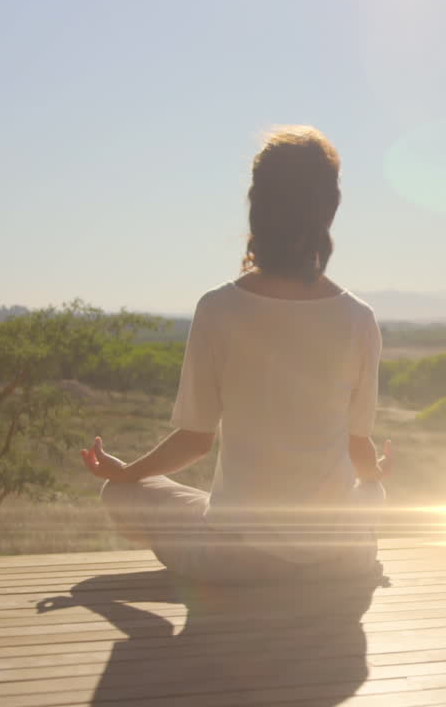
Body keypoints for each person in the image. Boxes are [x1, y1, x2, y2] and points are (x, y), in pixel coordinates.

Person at [80, 125, 389, 583]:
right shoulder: (358, 318)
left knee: (118, 494)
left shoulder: (219, 308)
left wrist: (129, 473)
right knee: (373, 491)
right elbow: (357, 450)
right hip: (337, 558)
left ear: (257, 206)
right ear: (329, 210)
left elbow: (195, 440)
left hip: (234, 561)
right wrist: (375, 471)